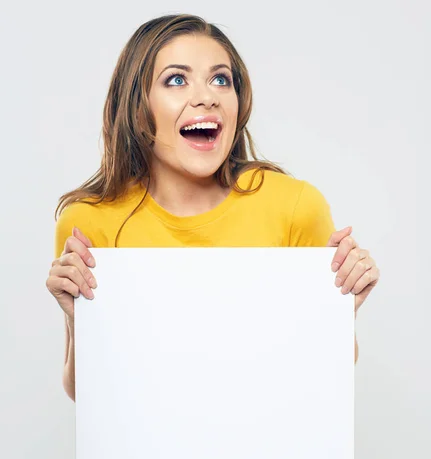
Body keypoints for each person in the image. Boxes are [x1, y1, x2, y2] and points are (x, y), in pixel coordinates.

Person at [46, 14, 380, 401]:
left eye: (221, 79)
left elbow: (330, 374)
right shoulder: (88, 221)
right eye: (176, 79)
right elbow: (85, 395)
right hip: (148, 457)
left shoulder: (295, 206)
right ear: (138, 107)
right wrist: (78, 320)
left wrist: (341, 307)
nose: (207, 96)